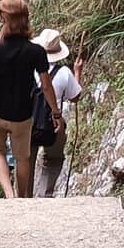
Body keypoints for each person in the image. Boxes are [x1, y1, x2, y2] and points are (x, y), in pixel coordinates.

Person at [0, 0, 63, 199]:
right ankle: (22, 198)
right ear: (26, 18)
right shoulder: (36, 51)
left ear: (3, 17)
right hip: (22, 116)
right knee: (22, 158)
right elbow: (46, 86)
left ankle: (10, 196)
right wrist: (55, 113)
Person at [31, 28, 83, 199]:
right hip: (53, 122)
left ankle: (23, 198)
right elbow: (75, 97)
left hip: (27, 122)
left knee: (25, 160)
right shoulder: (64, 73)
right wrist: (77, 72)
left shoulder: (28, 69)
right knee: (52, 159)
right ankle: (44, 195)